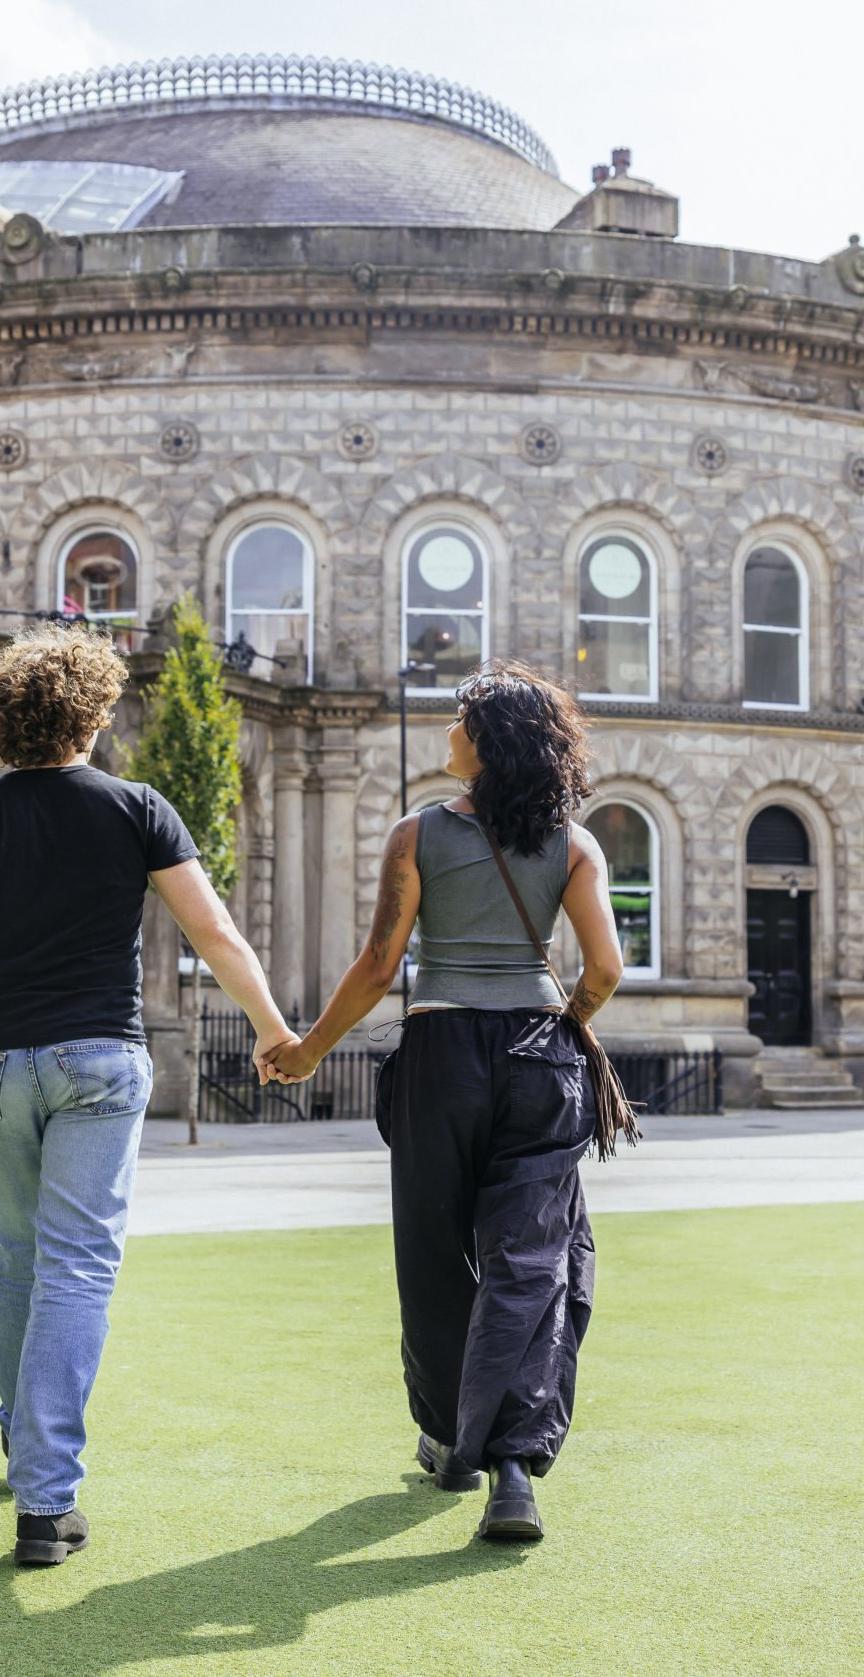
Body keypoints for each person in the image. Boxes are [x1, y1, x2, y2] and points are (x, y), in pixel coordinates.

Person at [0, 623, 297, 1569]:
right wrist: (274, 1030)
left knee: (18, 1261)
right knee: (75, 1267)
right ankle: (45, 1499)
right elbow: (217, 934)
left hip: (0, 1066)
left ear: (0, 719)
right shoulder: (138, 807)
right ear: (95, 712)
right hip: (102, 1064)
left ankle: (21, 1439)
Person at [264, 659, 628, 1544]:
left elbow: (381, 965)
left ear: (489, 743)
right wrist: (561, 1026)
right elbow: (605, 971)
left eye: (461, 722)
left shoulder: (417, 834)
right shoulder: (577, 846)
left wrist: (310, 1050)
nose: (447, 735)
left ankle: (450, 1440)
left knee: (433, 1256)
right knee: (530, 1262)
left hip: (443, 1058)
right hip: (541, 1062)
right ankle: (512, 1469)